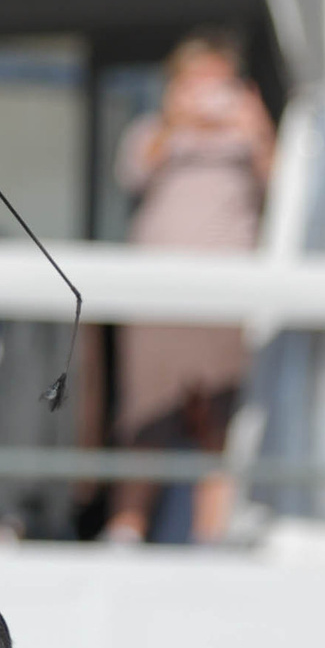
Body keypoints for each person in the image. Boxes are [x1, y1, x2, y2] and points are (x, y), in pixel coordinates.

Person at [106, 34, 275, 544]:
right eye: (194, 83)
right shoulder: (152, 132)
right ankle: (125, 532)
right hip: (158, 303)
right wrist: (178, 120)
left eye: (218, 84)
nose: (207, 96)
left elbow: (287, 192)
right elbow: (132, 172)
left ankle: (212, 537)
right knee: (146, 425)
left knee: (216, 432)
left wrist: (257, 129)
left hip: (225, 302)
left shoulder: (247, 138)